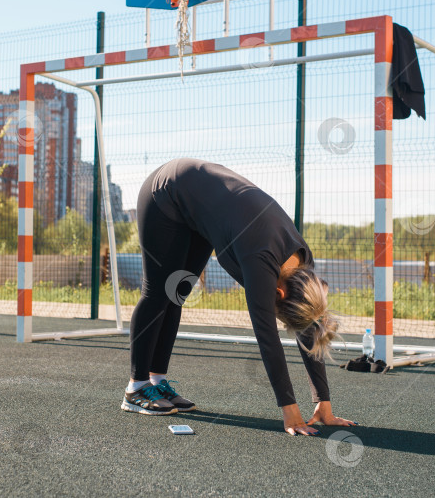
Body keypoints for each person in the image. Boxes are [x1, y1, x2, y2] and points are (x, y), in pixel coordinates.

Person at [122, 158, 357, 436]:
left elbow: (311, 324)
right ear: (278, 293)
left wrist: (323, 404)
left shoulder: (302, 266)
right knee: (158, 291)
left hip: (197, 205)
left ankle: (157, 381)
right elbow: (267, 337)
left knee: (177, 294)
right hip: (164, 192)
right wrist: (291, 412)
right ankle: (136, 388)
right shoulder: (261, 259)